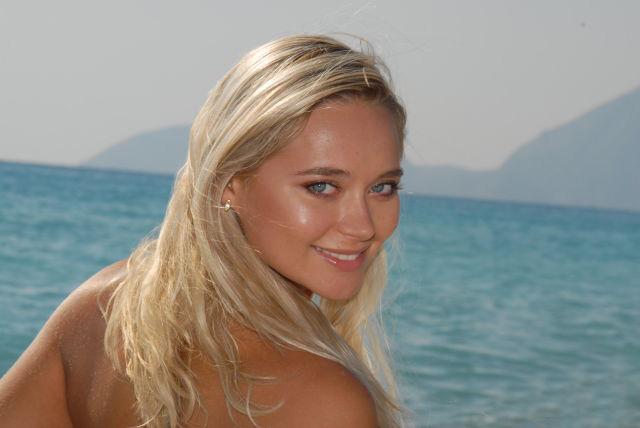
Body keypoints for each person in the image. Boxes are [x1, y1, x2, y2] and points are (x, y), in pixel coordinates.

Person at [0, 34, 407, 427]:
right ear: (230, 181)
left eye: (382, 188)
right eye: (321, 187)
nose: (363, 226)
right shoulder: (323, 400)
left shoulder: (104, 305)